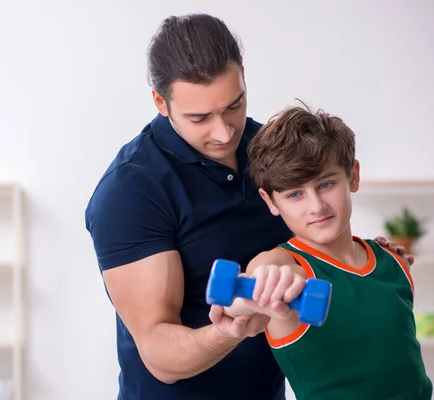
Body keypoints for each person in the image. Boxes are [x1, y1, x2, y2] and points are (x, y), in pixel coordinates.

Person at [84, 13, 413, 400]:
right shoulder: (130, 192)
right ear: (161, 101)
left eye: (234, 105)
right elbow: (159, 353)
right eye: (200, 118)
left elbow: (314, 226)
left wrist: (362, 259)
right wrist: (230, 330)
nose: (224, 132)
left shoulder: (266, 148)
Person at [223, 102, 433, 399]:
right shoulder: (285, 267)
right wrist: (264, 286)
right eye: (295, 194)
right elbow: (244, 296)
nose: (316, 206)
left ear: (353, 176)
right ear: (270, 201)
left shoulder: (392, 261)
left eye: (326, 184)